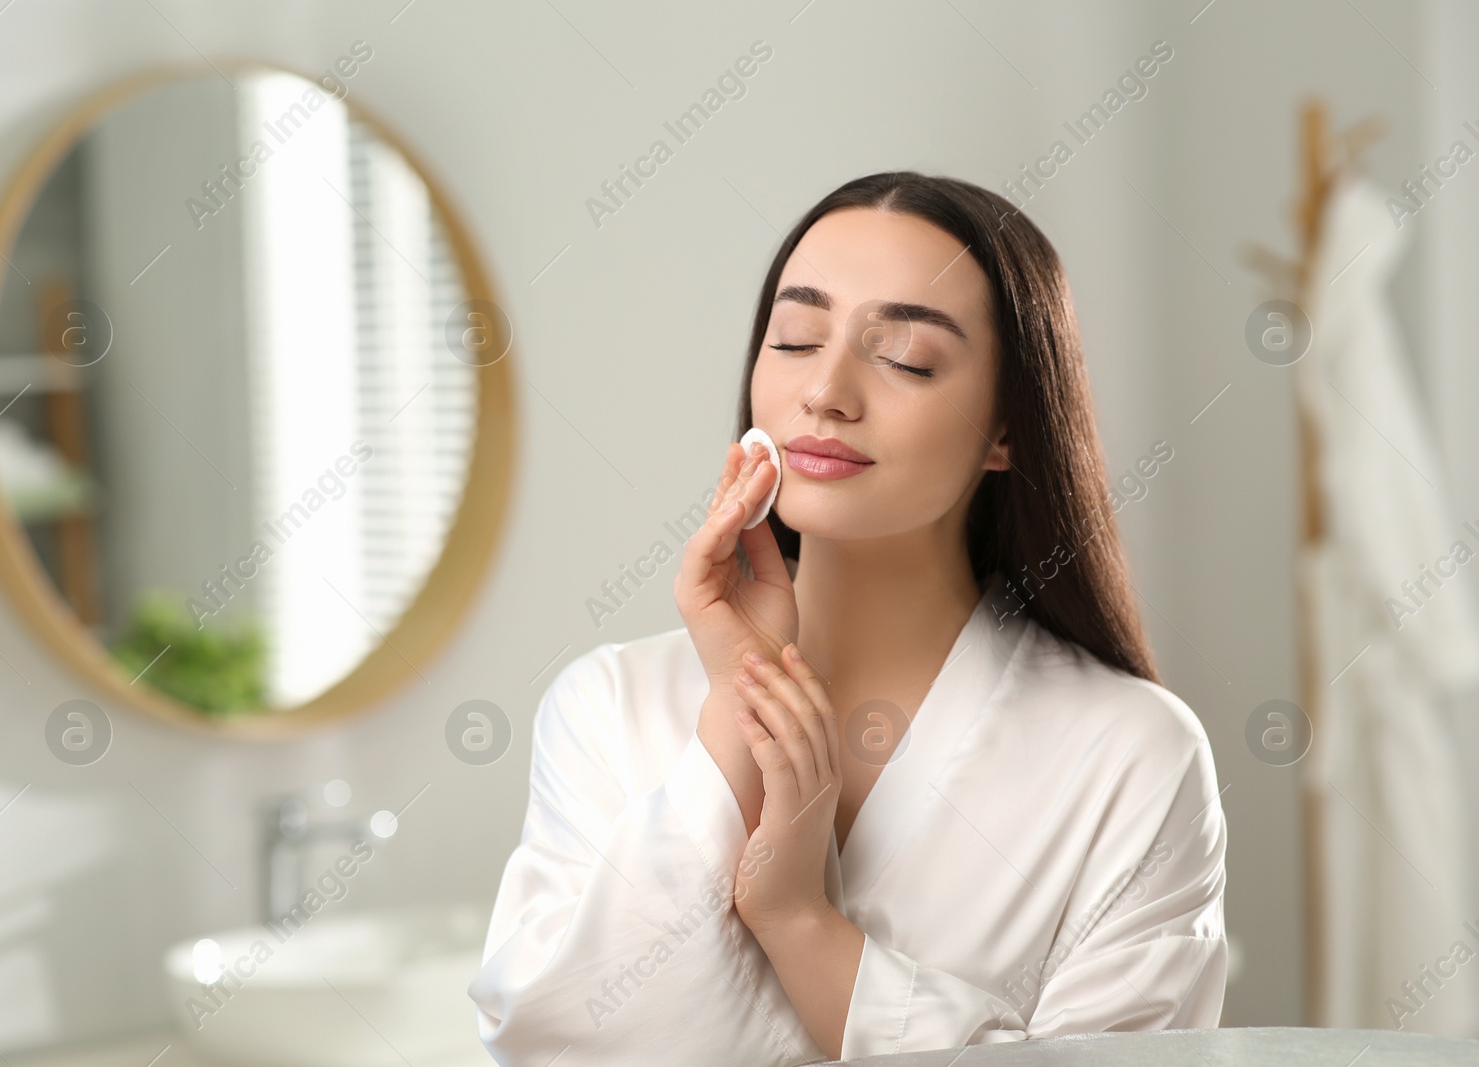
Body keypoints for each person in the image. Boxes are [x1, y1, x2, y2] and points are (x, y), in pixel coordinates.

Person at [469, 171, 1227, 1064]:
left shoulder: (1131, 750)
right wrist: (733, 728)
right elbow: (548, 1042)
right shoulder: (606, 704)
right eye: (794, 339)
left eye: (905, 356)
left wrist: (800, 925)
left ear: (1008, 428)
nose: (825, 390)